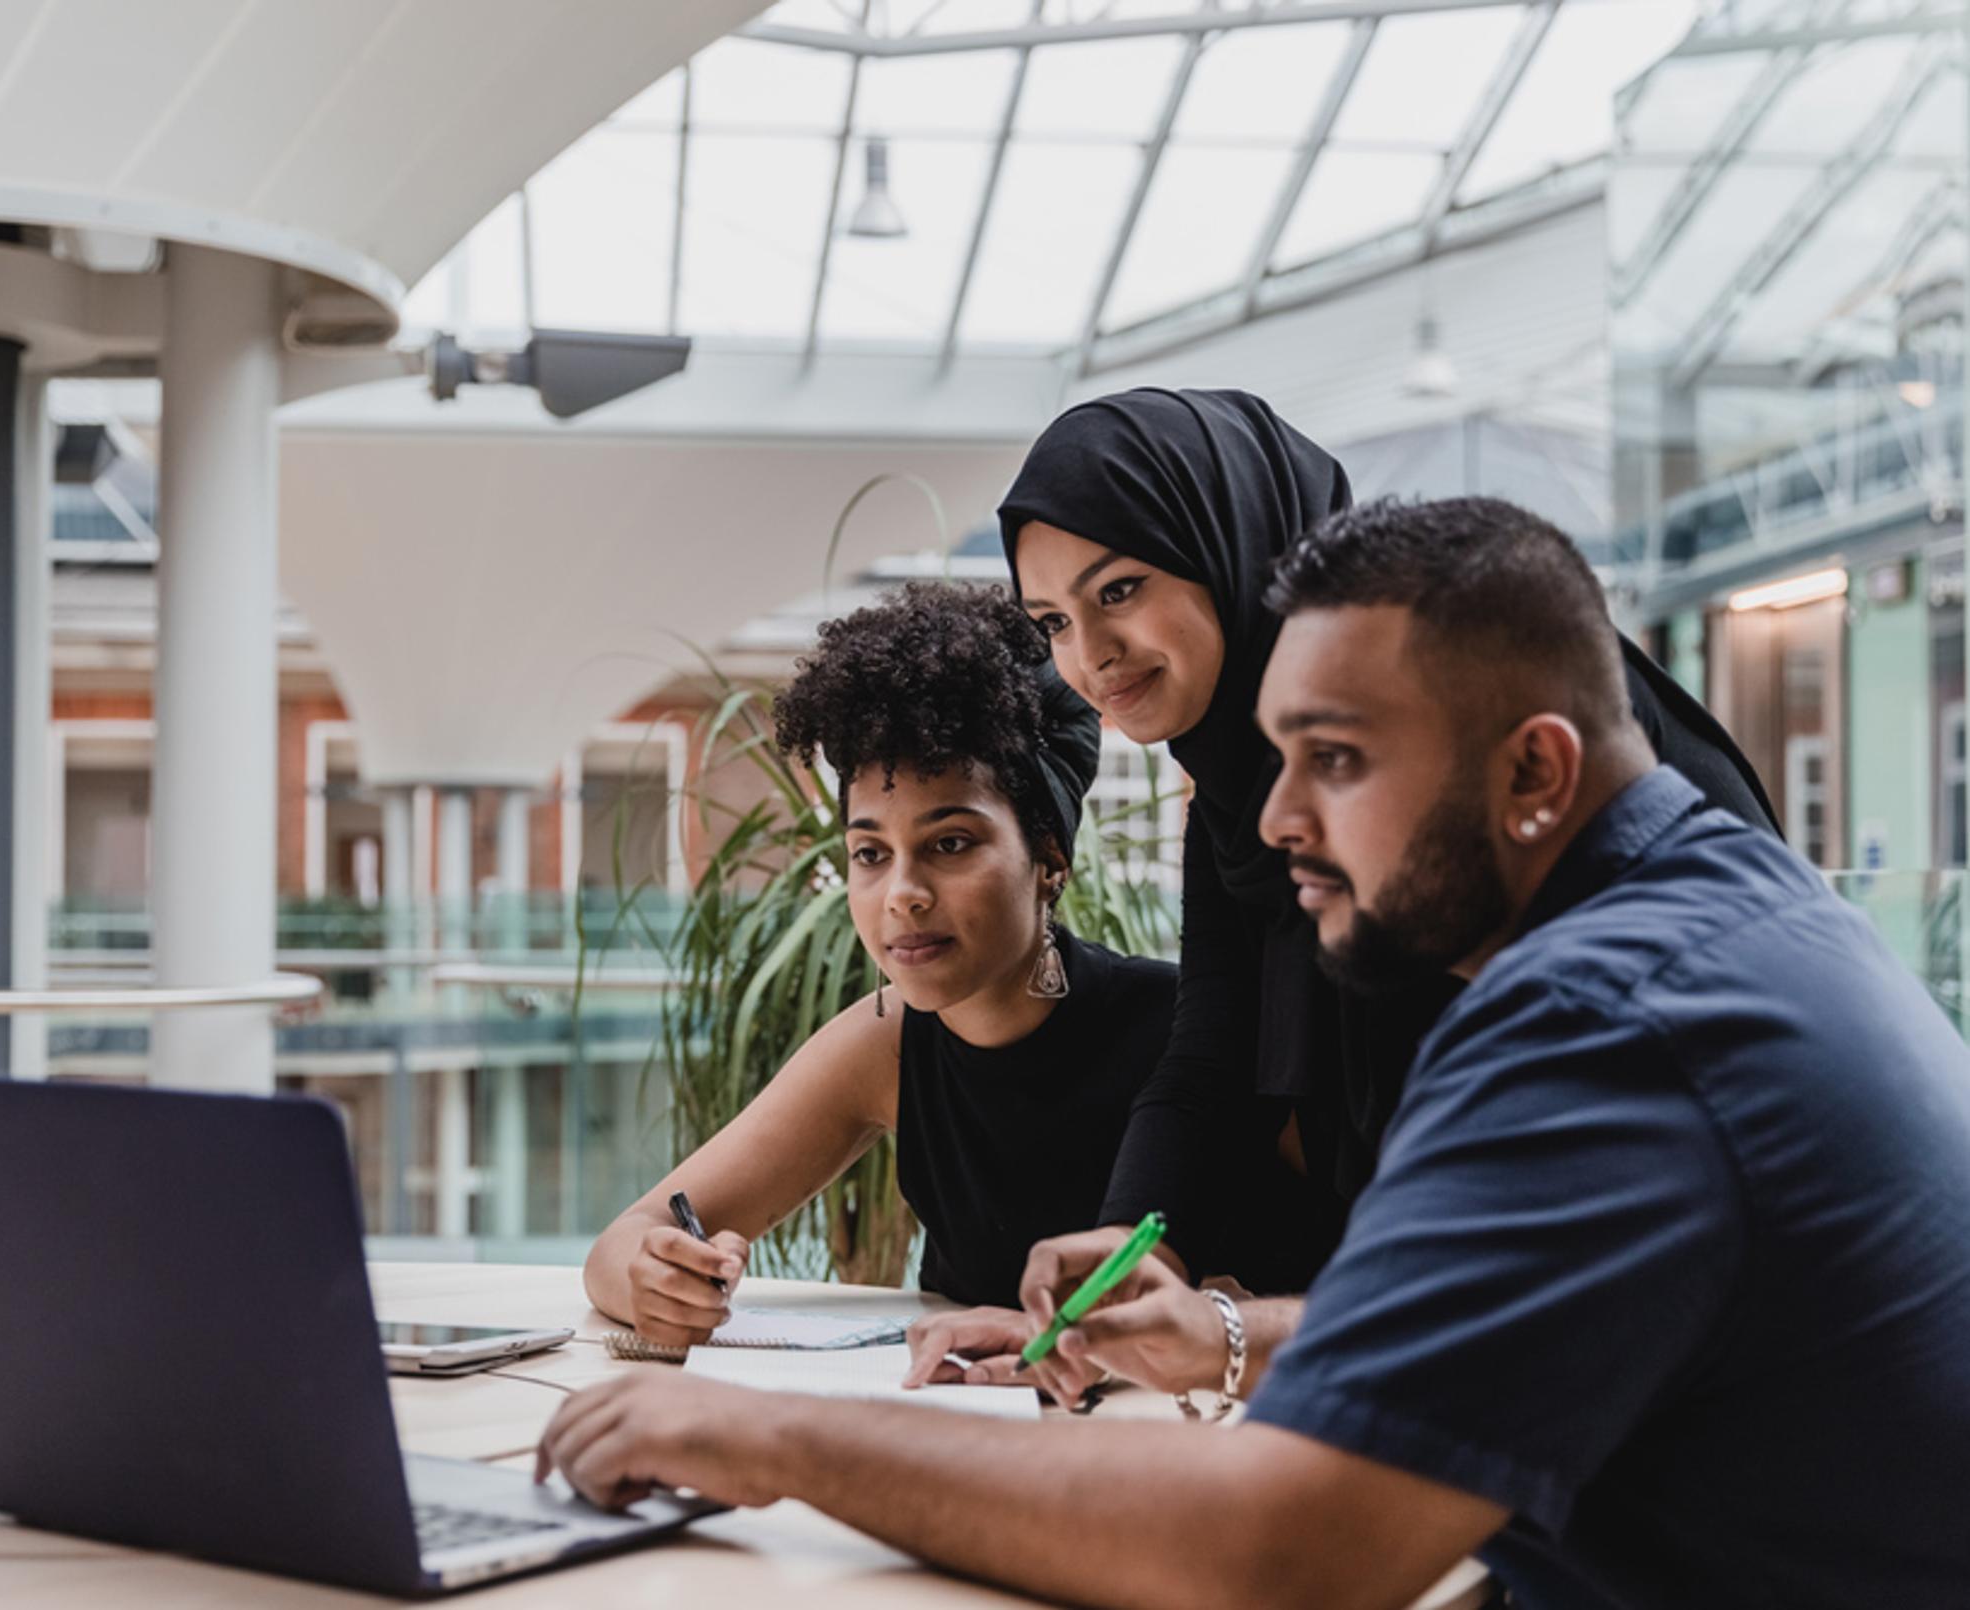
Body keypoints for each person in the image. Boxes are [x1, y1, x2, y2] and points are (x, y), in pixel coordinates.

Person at [538, 496, 1970, 1610]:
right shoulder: (1720, 924)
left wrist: (760, 1435)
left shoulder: (1604, 1018)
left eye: (1334, 757)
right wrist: (1216, 1335)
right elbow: (1515, 1316)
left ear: (1533, 773)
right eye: (1274, 757)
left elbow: (1279, 1553)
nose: (1276, 819)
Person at [939, 388, 1776, 1395]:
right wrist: (1127, 1261)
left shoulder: (1466, 701)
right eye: (1053, 622)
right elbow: (1214, 1049)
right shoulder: (1244, 784)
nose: (1088, 655)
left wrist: (1239, 1337)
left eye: (1119, 589)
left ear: (1228, 543)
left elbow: (1545, 1229)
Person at [582, 582, 1177, 1338]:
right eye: (869, 853)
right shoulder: (884, 1044)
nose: (902, 894)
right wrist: (656, 1277)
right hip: (963, 1428)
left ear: (1048, 859)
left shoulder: (1182, 1029)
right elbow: (621, 1241)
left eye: (950, 844)